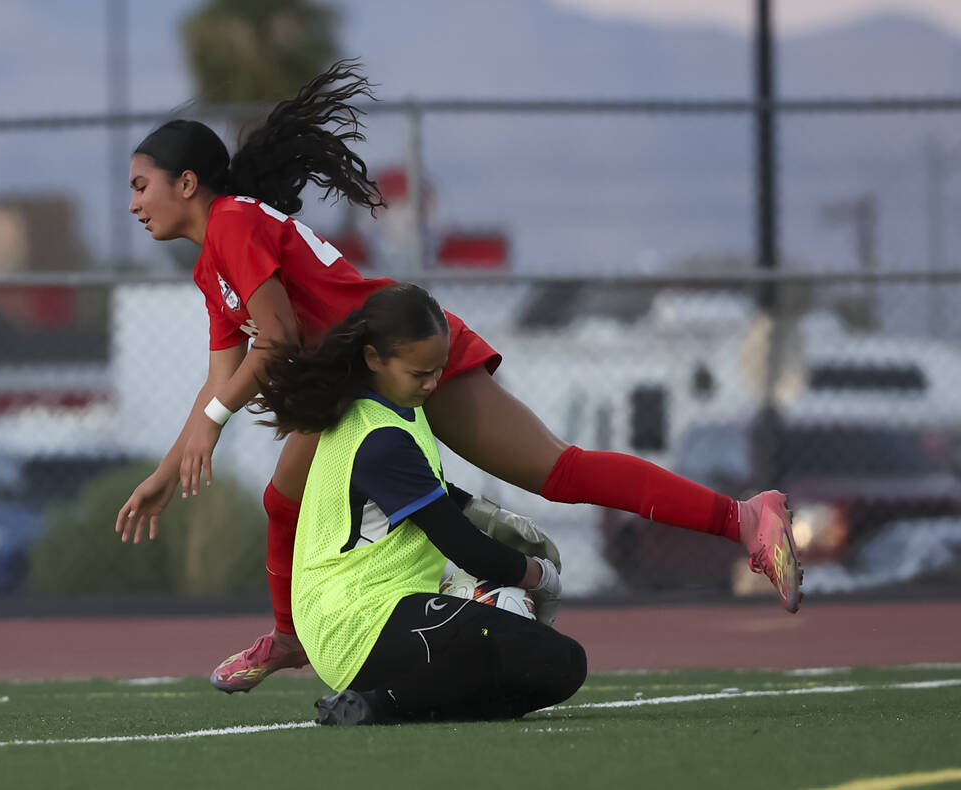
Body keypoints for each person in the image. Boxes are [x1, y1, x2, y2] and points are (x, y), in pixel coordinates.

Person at [115, 59, 803, 694]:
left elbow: (280, 337)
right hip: (357, 385)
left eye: (141, 186)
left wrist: (212, 424)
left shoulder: (232, 223)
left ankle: (746, 518)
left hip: (402, 356)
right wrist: (164, 473)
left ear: (187, 184)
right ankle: (291, 639)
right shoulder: (214, 261)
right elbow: (220, 379)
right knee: (281, 500)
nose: (134, 204)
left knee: (558, 473)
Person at [257, 281, 585, 724]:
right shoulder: (380, 436)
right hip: (354, 623)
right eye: (419, 374)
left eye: (438, 370)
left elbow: (426, 491)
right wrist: (541, 577)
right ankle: (374, 706)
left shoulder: (392, 408)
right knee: (557, 659)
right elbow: (464, 548)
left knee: (550, 668)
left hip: (373, 611)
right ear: (374, 359)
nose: (432, 384)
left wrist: (491, 515)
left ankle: (399, 699)